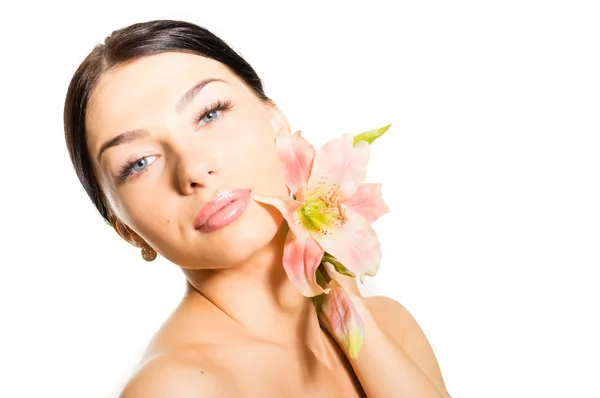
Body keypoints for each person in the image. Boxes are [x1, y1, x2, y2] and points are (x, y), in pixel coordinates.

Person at [63, 19, 451, 398]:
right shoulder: (175, 388)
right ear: (125, 229)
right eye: (139, 162)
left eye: (209, 113)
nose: (194, 168)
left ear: (276, 122)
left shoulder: (388, 325)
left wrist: (352, 315)